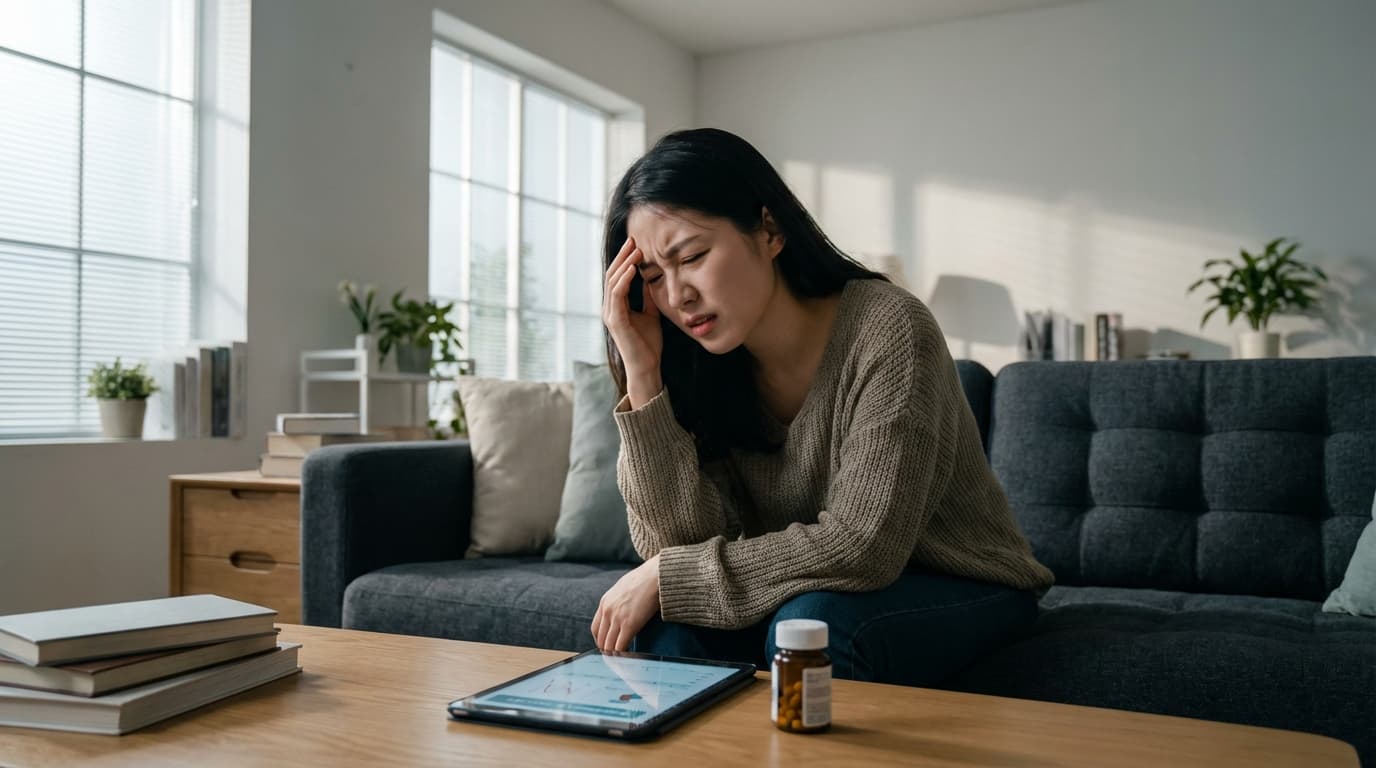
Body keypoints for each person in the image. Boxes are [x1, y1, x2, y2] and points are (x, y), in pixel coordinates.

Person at [591, 128, 1053, 686]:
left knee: (814, 625)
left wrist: (668, 575)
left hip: (964, 580)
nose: (677, 295)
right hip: (807, 588)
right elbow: (676, 548)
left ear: (769, 230)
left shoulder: (890, 328)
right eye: (652, 277)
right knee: (667, 623)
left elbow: (863, 545)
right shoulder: (699, 365)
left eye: (691, 256)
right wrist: (642, 373)